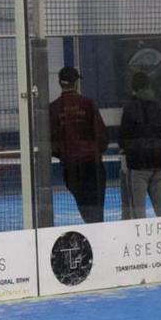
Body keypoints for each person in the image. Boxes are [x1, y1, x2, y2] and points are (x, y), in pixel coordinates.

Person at [49, 66, 108, 223]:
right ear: (75, 83)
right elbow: (101, 134)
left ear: (60, 83)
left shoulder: (53, 109)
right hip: (93, 165)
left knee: (85, 210)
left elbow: (51, 141)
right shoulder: (87, 104)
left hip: (71, 168)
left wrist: (64, 154)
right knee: (97, 212)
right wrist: (95, 151)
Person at [119, 72, 161, 219]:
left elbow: (123, 138)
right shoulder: (158, 107)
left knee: (138, 212)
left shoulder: (129, 108)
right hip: (157, 163)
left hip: (138, 165)